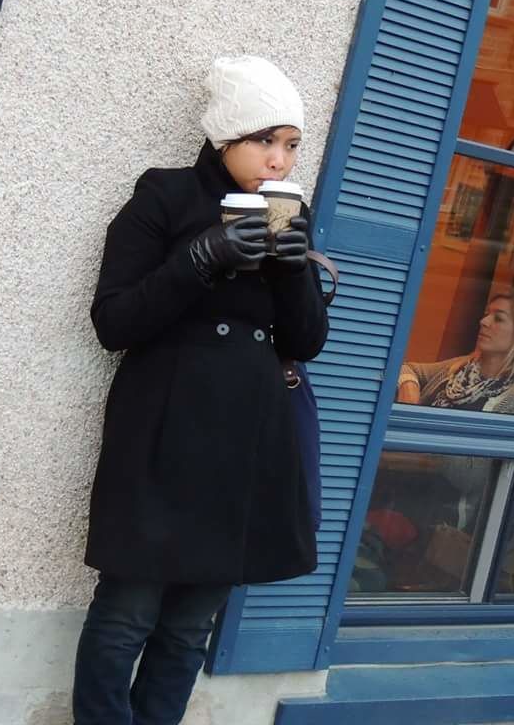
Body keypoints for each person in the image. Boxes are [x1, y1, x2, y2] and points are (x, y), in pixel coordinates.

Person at [72, 55, 329, 725]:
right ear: (226, 138)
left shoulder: (288, 214)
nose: (279, 159)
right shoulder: (164, 196)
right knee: (127, 613)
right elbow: (114, 321)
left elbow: (304, 342)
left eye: (292, 145)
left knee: (188, 628)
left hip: (245, 442)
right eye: (265, 141)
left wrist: (293, 263)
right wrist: (203, 257)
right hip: (161, 434)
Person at [396, 291, 514, 414]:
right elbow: (407, 368)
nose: (484, 321)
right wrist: (408, 385)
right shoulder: (459, 367)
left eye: (498, 318)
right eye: (487, 314)